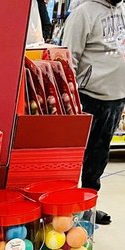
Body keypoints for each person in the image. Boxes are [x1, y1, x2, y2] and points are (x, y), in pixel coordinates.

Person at [63, 0, 125, 224]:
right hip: (87, 97)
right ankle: (65, 208)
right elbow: (68, 58)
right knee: (74, 157)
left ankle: (88, 207)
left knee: (99, 157)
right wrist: (70, 98)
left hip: (116, 97)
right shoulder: (83, 13)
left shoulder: (122, 9)